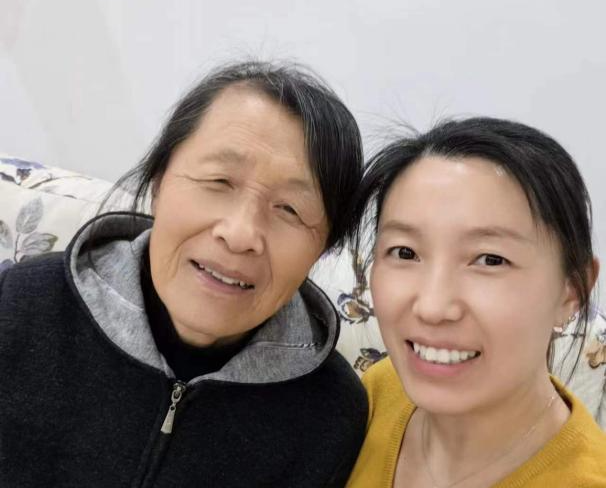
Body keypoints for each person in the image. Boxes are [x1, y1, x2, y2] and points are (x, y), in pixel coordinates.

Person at [0, 61, 368, 487]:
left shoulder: (329, 415)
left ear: (323, 249)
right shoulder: (24, 305)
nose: (240, 234)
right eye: (219, 181)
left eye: (289, 208)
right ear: (159, 182)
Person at [346, 117, 606, 488]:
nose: (432, 307)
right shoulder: (379, 393)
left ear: (572, 291)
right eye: (405, 252)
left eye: (490, 259)